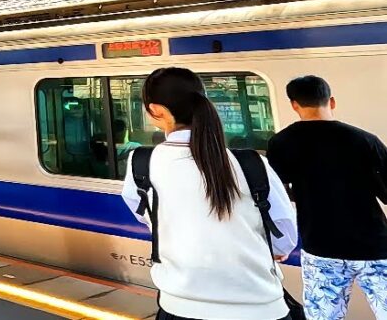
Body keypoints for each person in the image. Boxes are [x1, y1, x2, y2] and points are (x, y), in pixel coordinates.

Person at [120, 67, 297, 320]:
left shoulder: (141, 164)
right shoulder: (252, 163)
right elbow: (283, 240)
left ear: (155, 110)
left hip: (181, 308)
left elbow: (150, 217)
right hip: (262, 308)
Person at [267, 75, 387, 319]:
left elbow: (276, 193)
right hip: (375, 247)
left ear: (294, 105)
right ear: (331, 101)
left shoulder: (281, 143)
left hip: (321, 248)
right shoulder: (365, 140)